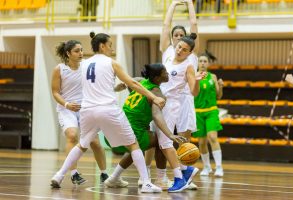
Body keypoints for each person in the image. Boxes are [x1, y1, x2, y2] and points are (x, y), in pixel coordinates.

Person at [50, 32, 166, 193]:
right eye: (110, 45)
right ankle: (146, 183)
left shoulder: (83, 64)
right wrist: (154, 97)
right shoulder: (112, 63)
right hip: (107, 109)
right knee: (134, 145)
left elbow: (95, 85)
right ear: (102, 46)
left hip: (88, 111)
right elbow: (132, 83)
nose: (112, 48)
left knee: (82, 145)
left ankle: (59, 175)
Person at [104, 63, 188, 192]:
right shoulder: (157, 93)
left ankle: (114, 178)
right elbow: (156, 115)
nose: (167, 74)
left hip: (113, 131)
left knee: (135, 149)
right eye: (164, 72)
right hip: (132, 130)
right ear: (157, 78)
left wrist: (117, 88)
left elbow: (131, 80)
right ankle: (161, 179)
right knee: (161, 141)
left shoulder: (140, 83)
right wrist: (170, 135)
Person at [143, 0, 200, 190]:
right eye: (176, 37)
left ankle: (182, 173)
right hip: (163, 100)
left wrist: (190, 4)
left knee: (177, 139)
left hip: (180, 100)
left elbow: (194, 24)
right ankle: (177, 173)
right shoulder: (168, 51)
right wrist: (173, 4)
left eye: (182, 37)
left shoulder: (189, 59)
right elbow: (165, 25)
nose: (178, 41)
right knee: (161, 141)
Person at [51, 40, 108, 186]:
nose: (81, 53)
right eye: (77, 51)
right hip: (66, 108)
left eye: (82, 50)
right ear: (68, 53)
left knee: (95, 142)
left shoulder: (87, 65)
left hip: (85, 109)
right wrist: (67, 104)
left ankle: (104, 174)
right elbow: (55, 92)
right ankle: (74, 174)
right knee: (72, 136)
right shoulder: (59, 69)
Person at [193, 50, 224, 177]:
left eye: (205, 61)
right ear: (197, 63)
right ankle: (206, 166)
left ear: (208, 64)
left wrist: (221, 87)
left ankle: (219, 167)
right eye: (200, 61)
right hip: (198, 112)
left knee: (212, 137)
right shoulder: (193, 76)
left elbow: (219, 96)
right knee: (201, 142)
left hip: (211, 111)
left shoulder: (213, 77)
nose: (203, 63)